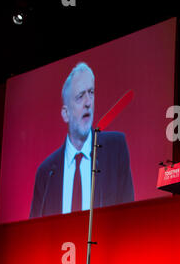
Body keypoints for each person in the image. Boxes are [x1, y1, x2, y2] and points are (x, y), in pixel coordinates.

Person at [30, 62, 134, 218]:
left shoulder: (115, 149)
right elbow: (34, 232)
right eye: (80, 97)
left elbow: (129, 217)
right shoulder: (46, 172)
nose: (88, 102)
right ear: (65, 113)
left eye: (91, 92)